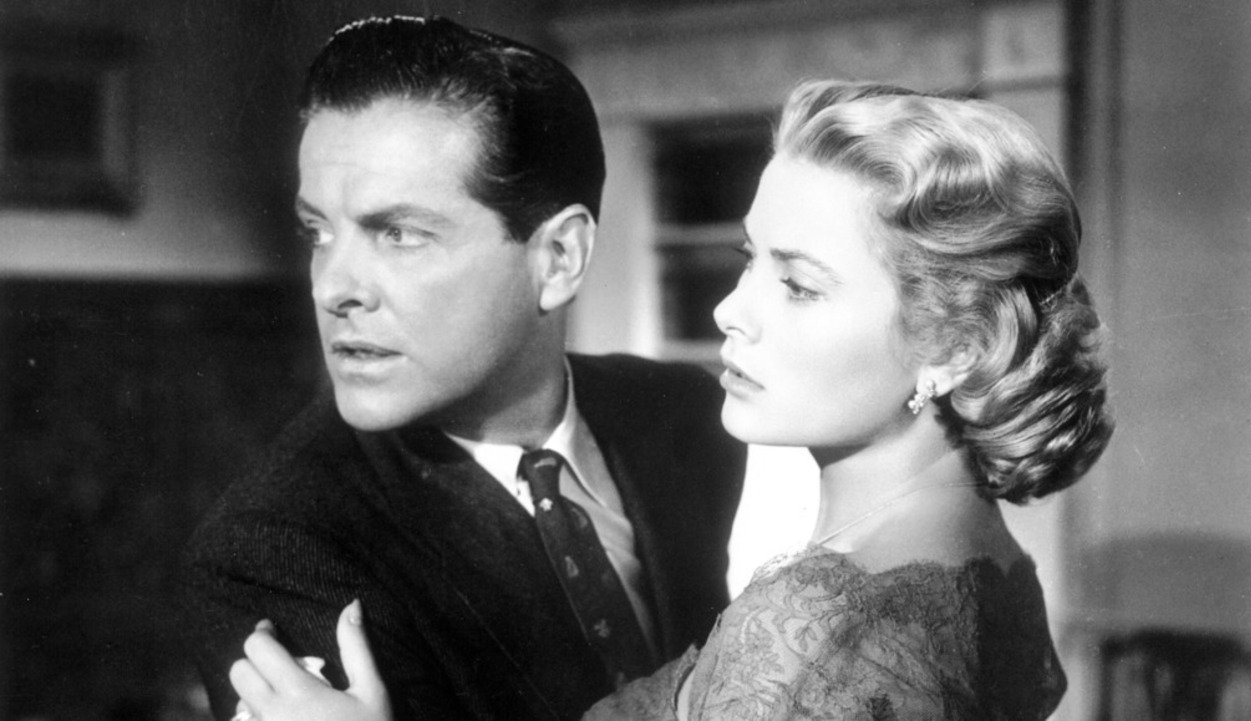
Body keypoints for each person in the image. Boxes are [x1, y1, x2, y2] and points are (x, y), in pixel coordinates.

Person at [228, 79, 1115, 720]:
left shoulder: (820, 626)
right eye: (749, 259)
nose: (732, 311)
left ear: (957, 345)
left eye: (799, 285)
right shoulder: (990, 560)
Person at [177, 15, 747, 721]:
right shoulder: (276, 549)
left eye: (399, 234)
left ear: (559, 258)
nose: (332, 288)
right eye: (318, 232)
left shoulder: (683, 412)